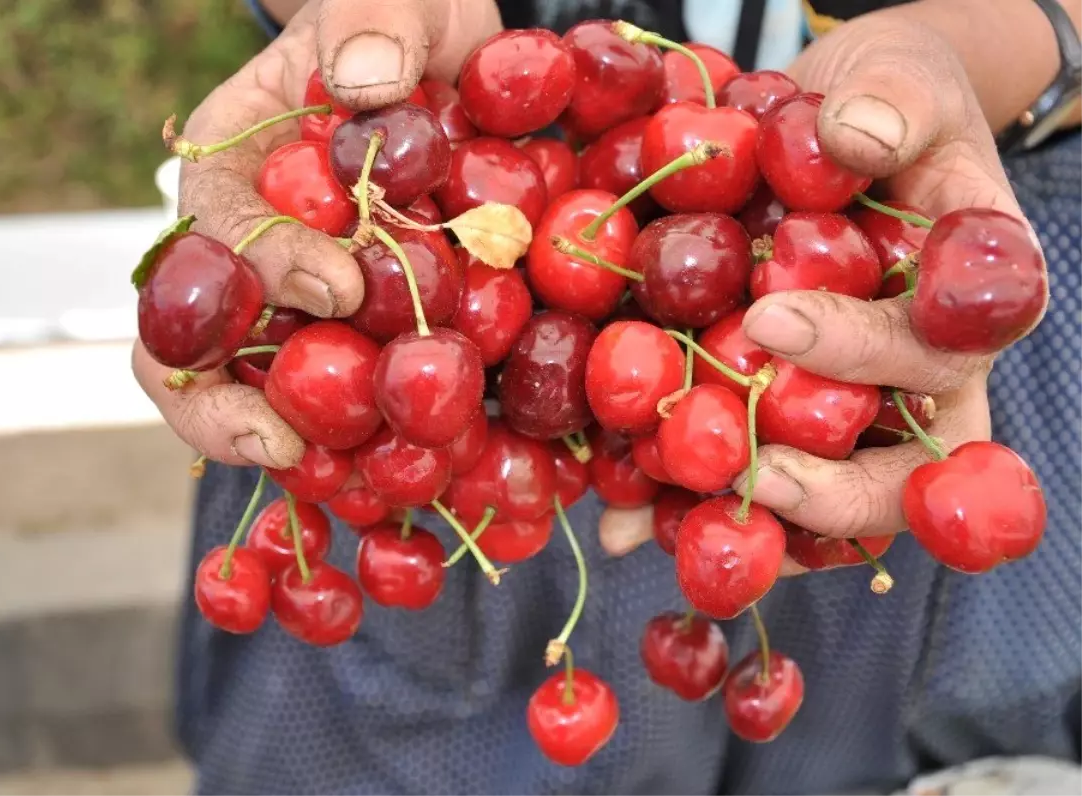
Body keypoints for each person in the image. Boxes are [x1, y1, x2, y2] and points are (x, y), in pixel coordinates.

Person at [132, 1, 1082, 794]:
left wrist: (980, 39)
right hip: (423, 383)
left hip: (900, 307)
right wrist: (361, 32)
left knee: (875, 729)